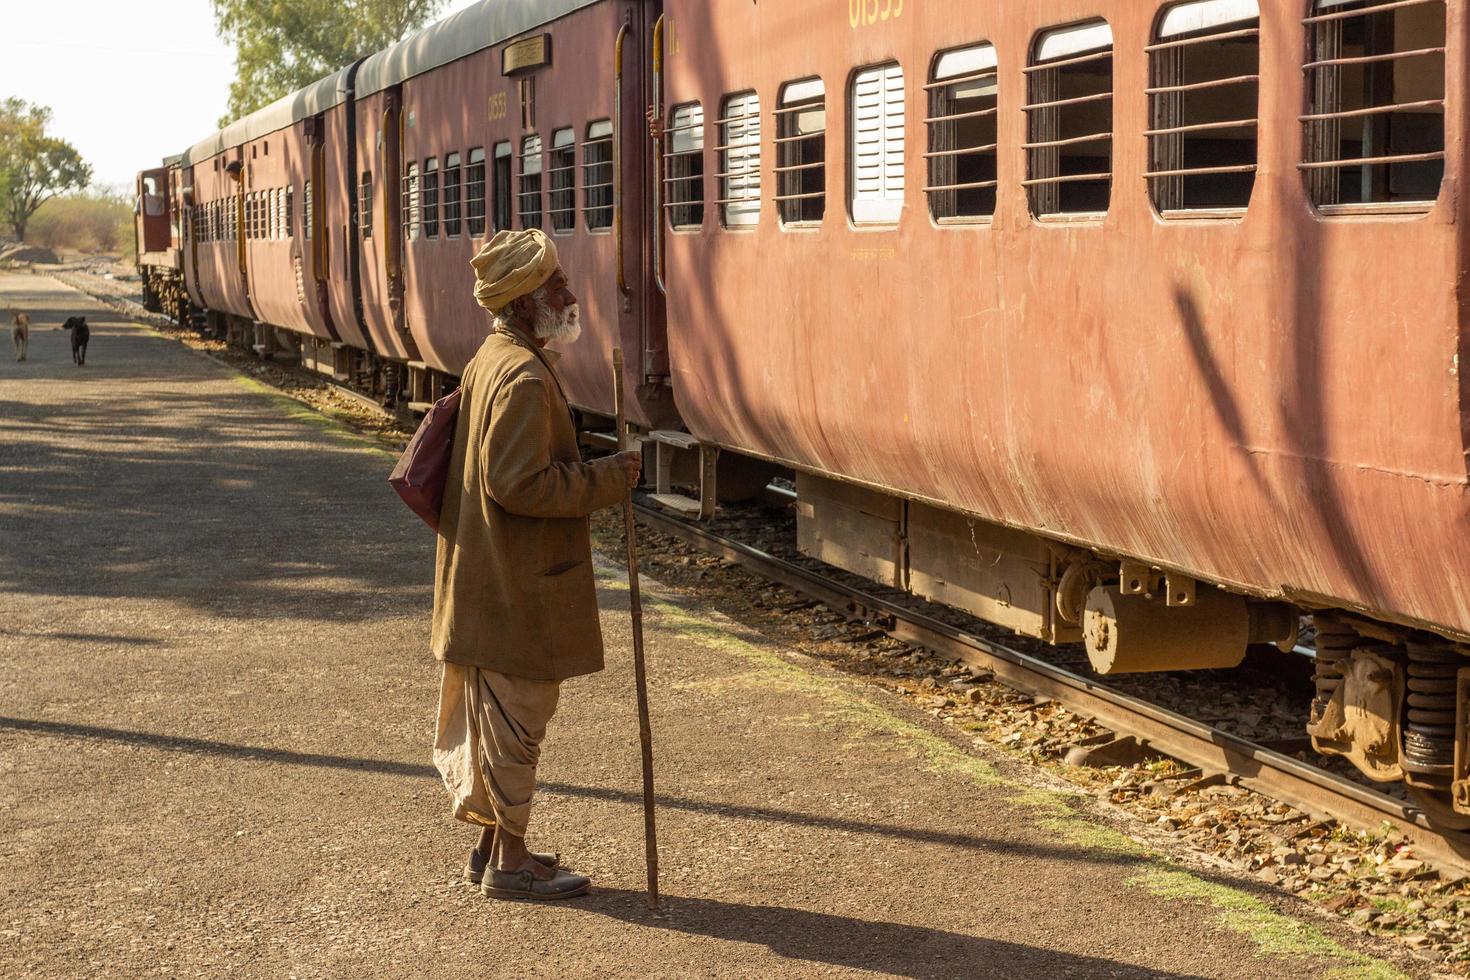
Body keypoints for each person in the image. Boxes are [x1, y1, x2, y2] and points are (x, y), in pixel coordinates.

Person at [430, 228, 641, 900]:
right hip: (513, 585)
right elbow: (517, 483)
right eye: (555, 286)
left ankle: (494, 845)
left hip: (491, 578)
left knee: (503, 726)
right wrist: (609, 478)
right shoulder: (520, 375)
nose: (570, 294)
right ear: (523, 302)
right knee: (517, 724)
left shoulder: (497, 355)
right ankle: (511, 864)